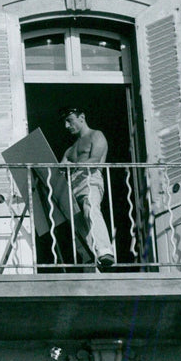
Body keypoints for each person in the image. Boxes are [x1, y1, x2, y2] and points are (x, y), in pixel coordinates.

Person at [59, 106, 116, 268]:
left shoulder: (95, 135)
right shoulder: (69, 149)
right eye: (64, 122)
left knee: (90, 209)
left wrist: (73, 165)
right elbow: (59, 169)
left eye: (69, 121)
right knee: (79, 225)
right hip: (72, 185)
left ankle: (105, 250)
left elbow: (96, 159)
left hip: (89, 178)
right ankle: (90, 260)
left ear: (82, 117)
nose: (67, 126)